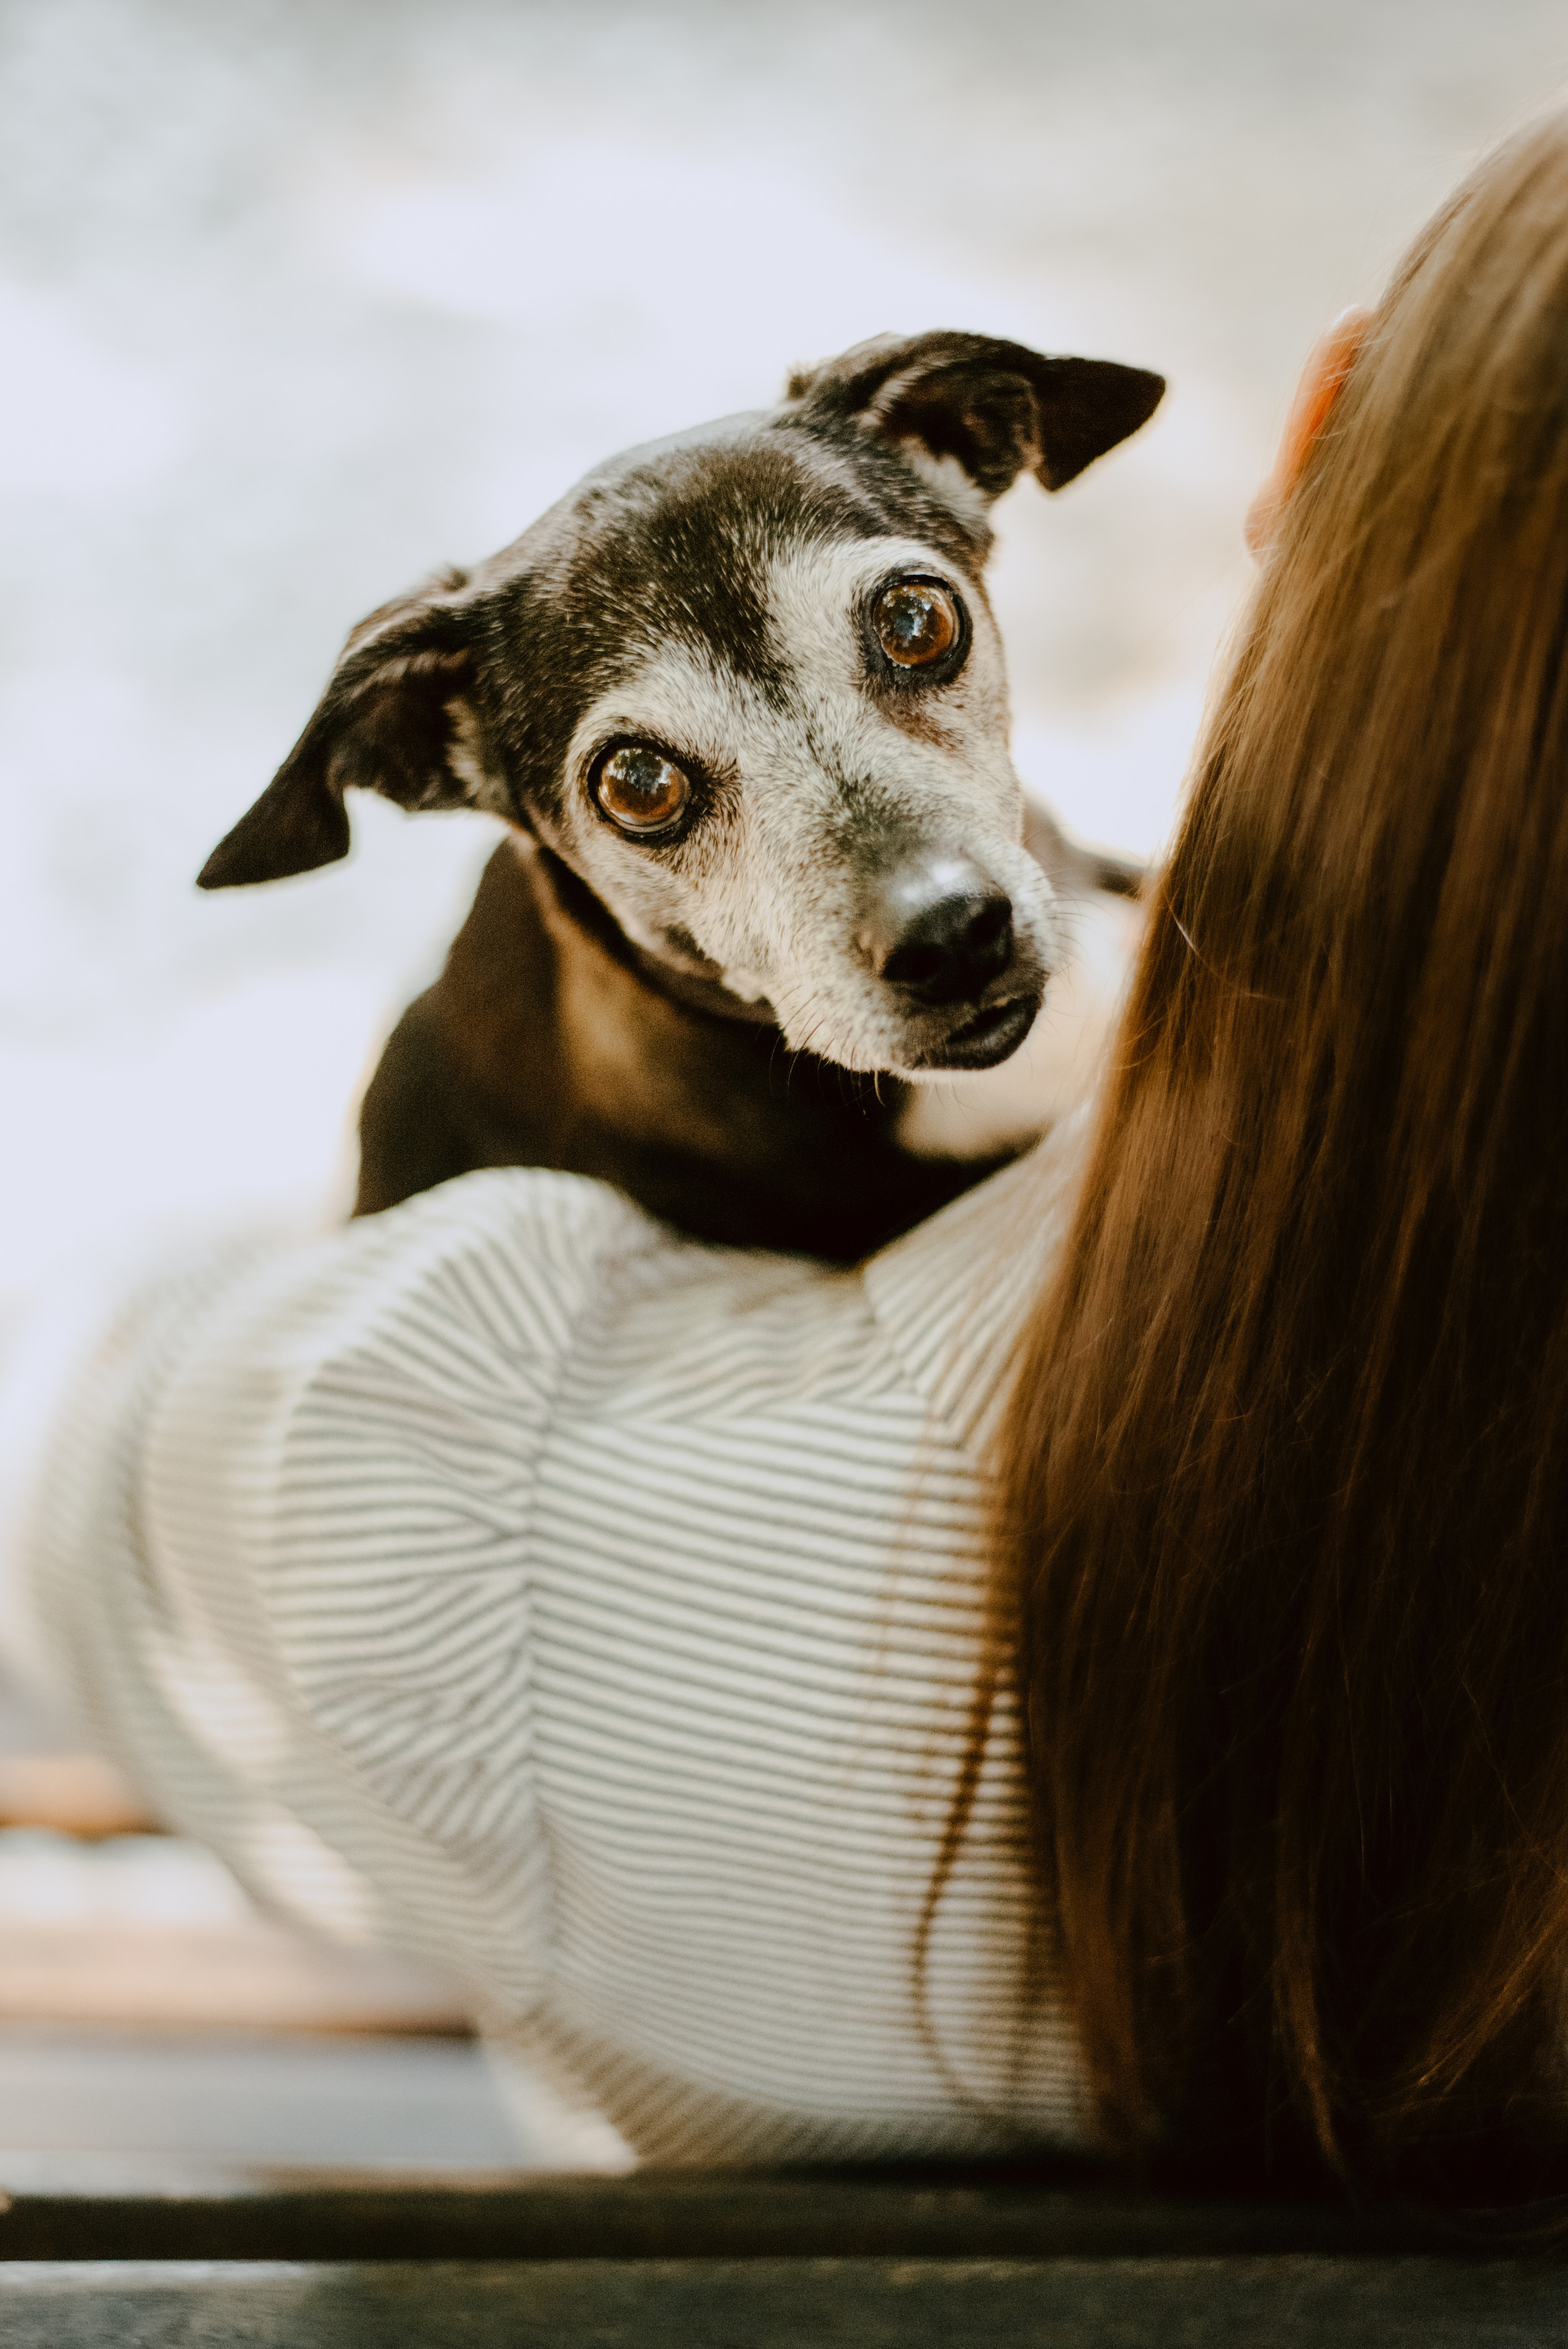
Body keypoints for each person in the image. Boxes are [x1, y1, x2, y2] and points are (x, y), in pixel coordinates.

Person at [10, 107, 1568, 2204]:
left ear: (1315, 437)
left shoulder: (488, 1492)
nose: (920, 890)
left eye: (907, 641)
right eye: (661, 787)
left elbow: (99, 1499)